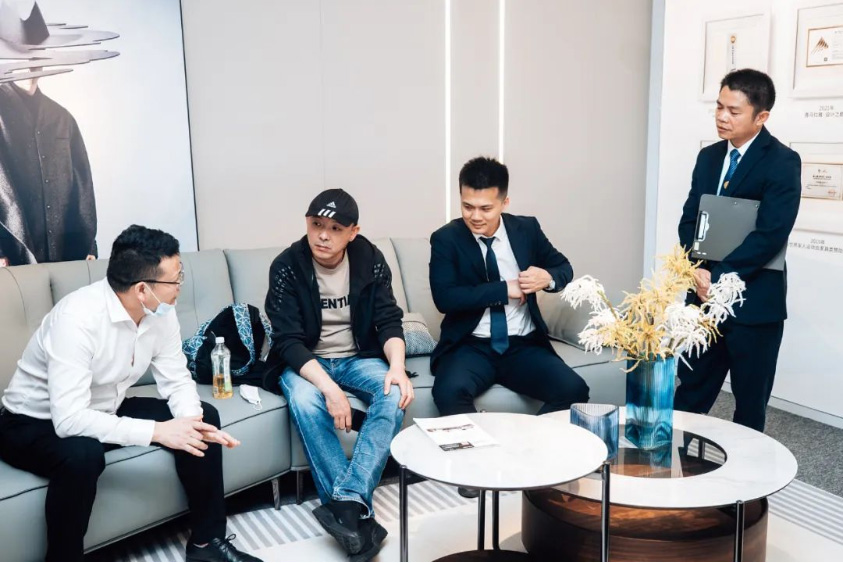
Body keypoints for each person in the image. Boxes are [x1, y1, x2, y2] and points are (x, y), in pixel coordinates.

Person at [0, 225, 260, 562]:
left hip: (104, 408)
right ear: (142, 289)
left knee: (202, 418)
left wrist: (190, 422)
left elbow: (176, 379)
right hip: (31, 422)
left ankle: (206, 544)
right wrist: (158, 431)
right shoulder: (77, 319)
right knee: (83, 454)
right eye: (175, 279)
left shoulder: (159, 312)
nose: (180, 287)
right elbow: (69, 420)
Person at [264, 189, 413, 561]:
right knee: (305, 399)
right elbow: (287, 340)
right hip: (307, 362)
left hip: (356, 358)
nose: (323, 235)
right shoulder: (287, 266)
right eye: (316, 224)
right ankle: (358, 519)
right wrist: (330, 389)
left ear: (353, 232)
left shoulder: (370, 260)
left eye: (335, 228)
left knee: (394, 392)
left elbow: (388, 320)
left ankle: (345, 501)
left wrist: (397, 367)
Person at [674, 69, 801, 432]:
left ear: (761, 116)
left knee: (749, 406)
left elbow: (771, 234)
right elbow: (690, 219)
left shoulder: (782, 161)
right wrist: (696, 267)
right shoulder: (709, 157)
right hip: (702, 298)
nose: (721, 116)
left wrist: (718, 276)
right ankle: (675, 464)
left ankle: (748, 472)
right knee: (689, 395)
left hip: (754, 303)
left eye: (733, 111)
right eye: (719, 107)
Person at [429, 156, 590, 419]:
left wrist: (546, 277)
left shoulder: (526, 229)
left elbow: (563, 268)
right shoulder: (446, 238)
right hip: (470, 346)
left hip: (522, 345)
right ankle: (477, 446)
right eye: (467, 206)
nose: (475, 216)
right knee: (448, 392)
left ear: (504, 203)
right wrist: (505, 289)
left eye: (485, 208)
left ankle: (525, 441)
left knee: (574, 389)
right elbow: (445, 298)